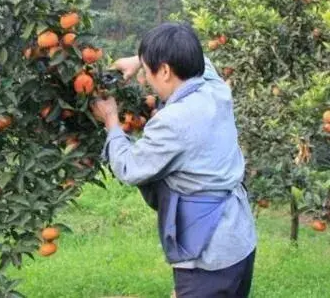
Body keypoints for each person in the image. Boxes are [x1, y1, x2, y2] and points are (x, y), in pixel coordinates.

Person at [91, 22, 257, 298]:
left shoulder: (173, 121)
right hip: (239, 240)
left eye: (148, 72)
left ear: (165, 70)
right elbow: (202, 59)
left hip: (208, 253)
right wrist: (141, 59)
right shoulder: (214, 88)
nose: (145, 78)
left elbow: (130, 168)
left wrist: (111, 122)